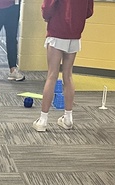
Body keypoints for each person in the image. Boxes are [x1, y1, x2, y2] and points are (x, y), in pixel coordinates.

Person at [33, 0, 93, 132]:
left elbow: (47, 7)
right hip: (75, 34)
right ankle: (68, 118)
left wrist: (47, 17)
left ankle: (43, 120)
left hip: (57, 31)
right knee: (68, 75)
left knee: (52, 76)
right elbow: (89, 11)